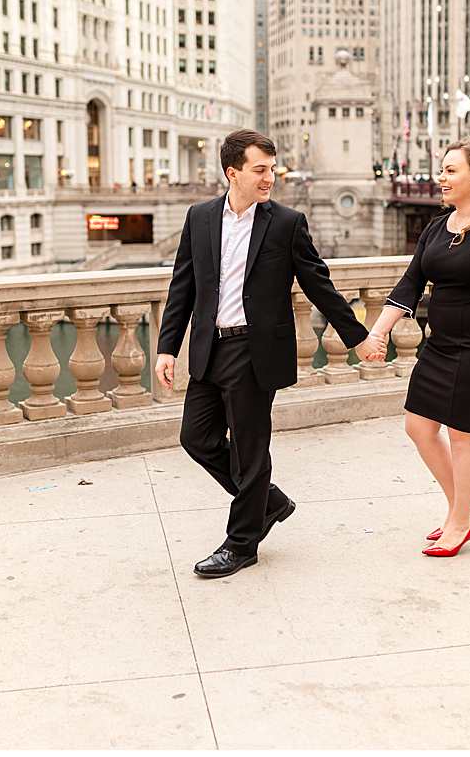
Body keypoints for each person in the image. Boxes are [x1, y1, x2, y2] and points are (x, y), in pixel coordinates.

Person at [155, 129, 368, 578]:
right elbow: (184, 287)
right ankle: (267, 501)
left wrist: (357, 336)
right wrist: (166, 347)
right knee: (196, 438)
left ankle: (242, 543)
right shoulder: (200, 218)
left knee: (251, 451)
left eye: (272, 169)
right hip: (209, 348)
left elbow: (318, 284)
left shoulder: (287, 223)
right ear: (233, 172)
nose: (270, 177)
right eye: (260, 170)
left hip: (255, 352)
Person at [359, 138, 470, 558]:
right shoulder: (437, 228)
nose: (441, 177)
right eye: (441, 169)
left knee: (462, 438)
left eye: (450, 170)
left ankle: (459, 521)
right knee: (418, 428)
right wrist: (378, 332)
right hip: (438, 347)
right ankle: (464, 505)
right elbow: (410, 283)